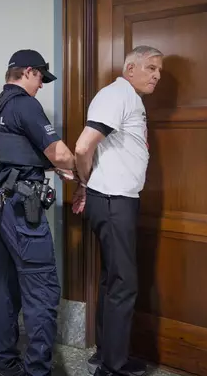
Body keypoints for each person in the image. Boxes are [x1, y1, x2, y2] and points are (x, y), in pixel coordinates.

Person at [0, 49, 77, 376]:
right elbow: (60, 153)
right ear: (29, 72)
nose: (42, 87)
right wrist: (80, 168)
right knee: (42, 289)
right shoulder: (25, 104)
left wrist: (45, 165)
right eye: (41, 79)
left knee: (5, 285)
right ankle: (37, 371)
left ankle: (7, 365)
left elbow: (10, 153)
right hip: (20, 206)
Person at [72, 45, 164, 376]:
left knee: (113, 280)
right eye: (151, 68)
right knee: (123, 283)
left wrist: (88, 184)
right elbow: (83, 146)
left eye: (159, 71)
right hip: (113, 201)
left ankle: (107, 355)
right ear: (130, 69)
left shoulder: (125, 96)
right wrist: (87, 179)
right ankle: (112, 368)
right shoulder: (118, 94)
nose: (156, 75)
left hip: (114, 199)